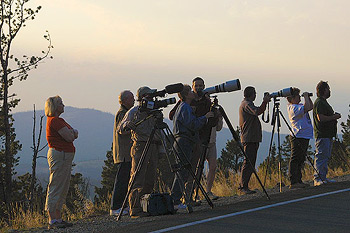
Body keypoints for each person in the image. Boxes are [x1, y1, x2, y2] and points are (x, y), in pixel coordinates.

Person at [169, 77, 221, 201]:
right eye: (194, 87)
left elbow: (213, 122)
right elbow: (192, 123)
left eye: (200, 86)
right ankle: (184, 198)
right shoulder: (185, 105)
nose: (197, 90)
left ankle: (187, 197)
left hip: (201, 138)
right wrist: (203, 117)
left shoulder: (205, 101)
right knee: (187, 169)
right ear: (189, 92)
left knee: (189, 169)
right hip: (188, 139)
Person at [117, 86, 161, 218]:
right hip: (140, 145)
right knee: (137, 176)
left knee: (150, 177)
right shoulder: (134, 111)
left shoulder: (154, 111)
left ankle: (146, 205)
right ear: (142, 97)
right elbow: (120, 128)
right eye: (149, 96)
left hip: (153, 144)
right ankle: (134, 208)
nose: (151, 98)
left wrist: (161, 149)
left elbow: (159, 130)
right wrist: (127, 125)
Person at [45, 96, 78, 229]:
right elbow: (70, 136)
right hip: (60, 155)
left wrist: (72, 133)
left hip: (64, 155)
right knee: (57, 185)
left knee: (62, 186)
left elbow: (71, 134)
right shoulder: (55, 121)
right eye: (60, 103)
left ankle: (57, 217)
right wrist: (73, 133)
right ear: (54, 106)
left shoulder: (59, 121)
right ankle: (53, 219)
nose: (63, 105)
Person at [239, 86, 270, 194]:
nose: (255, 95)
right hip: (250, 137)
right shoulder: (247, 104)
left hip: (251, 137)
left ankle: (244, 185)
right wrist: (265, 102)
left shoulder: (246, 104)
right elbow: (257, 111)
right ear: (252, 94)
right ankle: (243, 186)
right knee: (248, 162)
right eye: (254, 93)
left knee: (250, 161)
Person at [110, 90, 135, 216]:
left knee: (125, 180)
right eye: (131, 98)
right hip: (124, 152)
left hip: (125, 152)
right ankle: (116, 206)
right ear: (124, 100)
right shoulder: (122, 113)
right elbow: (122, 130)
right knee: (121, 180)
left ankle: (123, 205)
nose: (134, 100)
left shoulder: (124, 112)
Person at [313, 81, 341, 186]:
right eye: (328, 89)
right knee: (321, 155)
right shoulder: (320, 102)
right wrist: (334, 117)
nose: (329, 91)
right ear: (324, 90)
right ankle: (318, 178)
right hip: (322, 134)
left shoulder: (323, 102)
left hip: (328, 134)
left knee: (325, 156)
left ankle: (323, 176)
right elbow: (321, 118)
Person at [286, 88, 313, 189]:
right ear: (292, 98)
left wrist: (308, 98)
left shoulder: (298, 106)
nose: (300, 98)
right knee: (296, 158)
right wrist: (306, 97)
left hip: (304, 135)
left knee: (301, 158)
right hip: (298, 135)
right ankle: (293, 181)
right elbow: (306, 108)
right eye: (298, 96)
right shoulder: (293, 108)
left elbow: (310, 107)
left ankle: (298, 180)